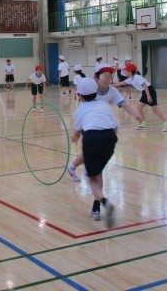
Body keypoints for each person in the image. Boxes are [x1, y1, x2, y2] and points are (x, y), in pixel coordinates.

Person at [67, 64, 140, 182]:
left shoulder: (112, 91)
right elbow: (81, 113)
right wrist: (77, 132)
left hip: (103, 125)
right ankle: (84, 169)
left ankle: (73, 167)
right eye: (105, 77)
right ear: (96, 78)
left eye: (110, 77)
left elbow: (124, 104)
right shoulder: (89, 90)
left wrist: (135, 114)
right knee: (92, 150)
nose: (108, 79)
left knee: (93, 150)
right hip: (88, 123)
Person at [71, 77, 117, 227]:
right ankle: (95, 209)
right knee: (98, 174)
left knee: (92, 178)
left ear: (80, 95)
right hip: (110, 139)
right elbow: (115, 127)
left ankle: (104, 202)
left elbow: (77, 133)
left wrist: (74, 138)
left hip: (92, 139)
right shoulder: (104, 105)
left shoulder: (80, 110)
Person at [119, 64, 167, 131]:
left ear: (130, 71)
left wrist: (148, 96)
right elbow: (121, 83)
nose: (124, 72)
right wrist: (109, 84)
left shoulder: (136, 77)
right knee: (139, 108)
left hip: (149, 91)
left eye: (126, 70)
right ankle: (143, 125)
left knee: (155, 110)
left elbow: (145, 85)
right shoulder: (131, 79)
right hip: (145, 92)